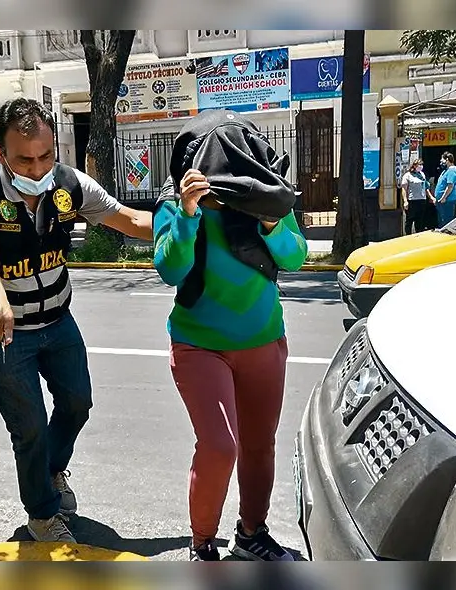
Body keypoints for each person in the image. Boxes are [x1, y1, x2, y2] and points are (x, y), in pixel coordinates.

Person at [0, 98, 153, 543]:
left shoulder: (69, 186)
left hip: (58, 321)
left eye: (46, 155)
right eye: (24, 158)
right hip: (6, 332)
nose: (37, 167)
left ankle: (49, 472)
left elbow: (132, 220)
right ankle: (42, 514)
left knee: (77, 404)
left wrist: (194, 223)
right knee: (28, 429)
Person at [153, 109, 308, 561]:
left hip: (262, 340)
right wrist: (186, 214)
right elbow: (170, 268)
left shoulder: (267, 197)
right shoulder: (176, 202)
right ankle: (202, 544)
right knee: (221, 446)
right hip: (199, 344)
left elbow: (295, 257)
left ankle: (251, 534)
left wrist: (271, 224)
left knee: (260, 446)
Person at [400, 159, 434, 234]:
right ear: (414, 166)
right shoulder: (407, 175)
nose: (421, 166)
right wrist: (405, 201)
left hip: (421, 200)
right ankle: (408, 236)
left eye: (421, 165)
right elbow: (404, 189)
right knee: (410, 220)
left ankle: (418, 235)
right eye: (419, 165)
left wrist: (431, 197)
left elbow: (425, 188)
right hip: (412, 200)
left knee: (419, 221)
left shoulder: (422, 174)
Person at [434, 152, 456, 226]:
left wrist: (443, 198)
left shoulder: (452, 171)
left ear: (447, 160)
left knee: (446, 221)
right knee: (441, 221)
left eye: (442, 161)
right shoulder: (446, 171)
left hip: (447, 201)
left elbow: (450, 186)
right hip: (441, 201)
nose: (441, 162)